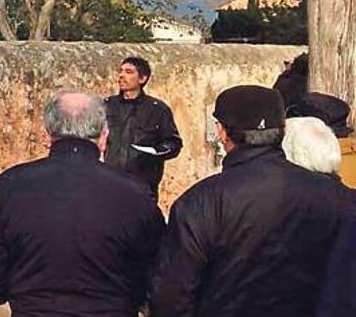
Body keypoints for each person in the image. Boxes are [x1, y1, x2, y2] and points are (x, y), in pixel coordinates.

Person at [149, 85, 351, 317]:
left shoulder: (201, 202)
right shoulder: (334, 195)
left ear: (222, 132)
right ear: (283, 130)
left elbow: (171, 295)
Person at [0, 91, 164, 317]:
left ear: (46, 136)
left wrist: (14, 292)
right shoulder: (134, 192)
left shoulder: (12, 183)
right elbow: (160, 261)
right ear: (104, 136)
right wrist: (131, 300)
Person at [105, 57, 182, 201]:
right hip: (110, 184)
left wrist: (157, 152)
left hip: (143, 186)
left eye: (128, 72)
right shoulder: (107, 106)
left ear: (142, 78)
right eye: (120, 71)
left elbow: (173, 143)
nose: (121, 75)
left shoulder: (158, 109)